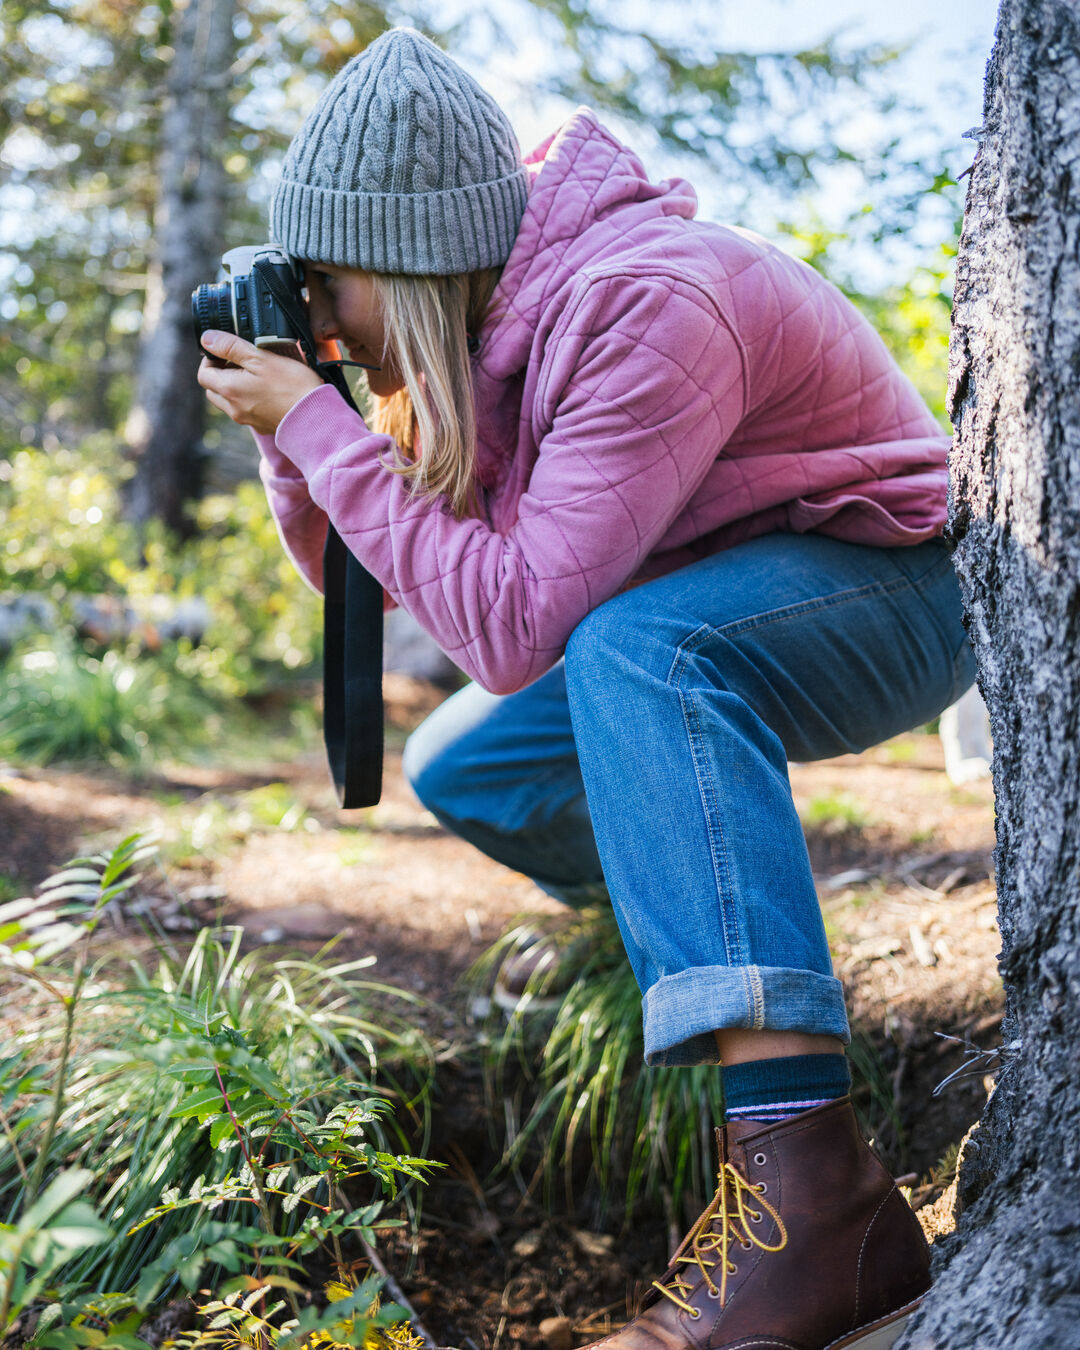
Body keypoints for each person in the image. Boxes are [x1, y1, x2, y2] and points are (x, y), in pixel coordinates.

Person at [198, 27, 973, 1350]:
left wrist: (321, 423)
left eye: (332, 284)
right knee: (470, 762)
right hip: (715, 607)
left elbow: (511, 626)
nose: (321, 312)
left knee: (633, 649)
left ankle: (815, 1193)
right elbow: (370, 579)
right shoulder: (479, 339)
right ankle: (710, 935)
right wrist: (304, 421)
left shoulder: (643, 303)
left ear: (410, 260)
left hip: (896, 588)